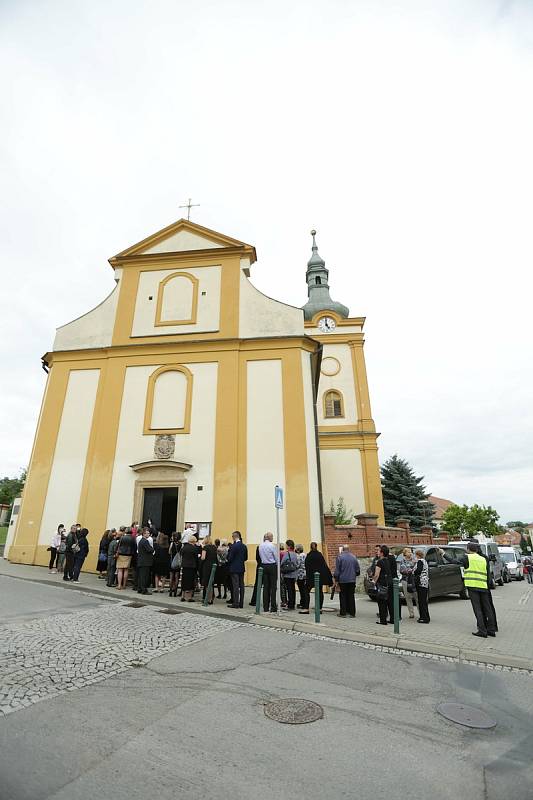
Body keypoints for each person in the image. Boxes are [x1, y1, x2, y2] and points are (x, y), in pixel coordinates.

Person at [299, 542, 333, 614]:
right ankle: (319, 608)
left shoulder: (309, 555)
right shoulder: (320, 555)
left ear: (310, 547)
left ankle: (306, 608)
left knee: (306, 591)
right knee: (320, 592)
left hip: (311, 577)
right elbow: (324, 566)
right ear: (316, 547)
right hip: (319, 577)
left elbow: (306, 566)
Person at [333, 545, 360, 618]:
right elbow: (357, 570)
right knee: (351, 596)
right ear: (348, 549)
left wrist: (336, 579)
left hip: (343, 580)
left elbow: (337, 571)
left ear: (343, 550)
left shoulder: (340, 557)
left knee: (343, 596)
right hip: (352, 580)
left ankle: (343, 612)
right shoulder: (354, 557)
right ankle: (352, 613)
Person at [227, 531, 248, 609]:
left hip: (234, 568)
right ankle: (241, 603)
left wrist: (228, 561)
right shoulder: (244, 546)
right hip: (241, 568)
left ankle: (236, 603)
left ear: (234, 537)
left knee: (235, 586)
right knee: (242, 585)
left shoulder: (234, 546)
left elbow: (230, 558)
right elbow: (246, 558)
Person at [372, 545, 391, 625]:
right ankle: (384, 619)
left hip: (381, 584)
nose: (377, 552)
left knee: (381, 602)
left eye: (379, 551)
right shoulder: (387, 560)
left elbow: (377, 574)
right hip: (387, 583)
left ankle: (382, 620)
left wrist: (373, 582)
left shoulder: (380, 561)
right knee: (385, 601)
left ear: (382, 553)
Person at [259, 532, 278, 612]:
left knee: (266, 587)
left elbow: (260, 556)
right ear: (269, 537)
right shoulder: (272, 545)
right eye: (272, 537)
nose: (272, 538)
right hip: (272, 565)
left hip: (264, 565)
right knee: (273, 587)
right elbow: (276, 557)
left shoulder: (260, 545)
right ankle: (273, 607)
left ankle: (265, 607)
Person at [398, 547, 416, 619]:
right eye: (408, 552)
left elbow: (416, 568)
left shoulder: (414, 560)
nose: (410, 553)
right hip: (405, 580)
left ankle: (421, 612)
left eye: (411, 552)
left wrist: (410, 569)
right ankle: (411, 613)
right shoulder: (402, 561)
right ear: (405, 553)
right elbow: (403, 570)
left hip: (414, 580)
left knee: (416, 596)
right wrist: (411, 570)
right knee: (408, 597)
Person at [280, 540, 299, 611]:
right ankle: (293, 603)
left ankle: (290, 605)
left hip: (287, 574)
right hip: (294, 574)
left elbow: (282, 563)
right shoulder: (295, 554)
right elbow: (297, 563)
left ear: (288, 546)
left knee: (289, 589)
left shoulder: (286, 554)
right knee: (293, 589)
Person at [413, 549, 430, 624]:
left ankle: (423, 618)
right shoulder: (424, 561)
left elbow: (418, 570)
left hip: (421, 583)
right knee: (424, 601)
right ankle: (427, 616)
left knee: (421, 601)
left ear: (417, 555)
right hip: (425, 583)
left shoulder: (420, 561)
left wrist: (413, 571)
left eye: (415, 555)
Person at [180, 535, 200, 602]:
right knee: (191, 582)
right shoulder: (194, 548)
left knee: (184, 580)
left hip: (185, 566)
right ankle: (189, 597)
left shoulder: (184, 547)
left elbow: (181, 554)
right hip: (192, 567)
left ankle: (183, 596)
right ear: (194, 541)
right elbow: (196, 558)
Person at [201, 536, 218, 603]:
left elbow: (203, 557)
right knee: (211, 583)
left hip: (207, 566)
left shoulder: (205, 547)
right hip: (213, 566)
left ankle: (208, 599)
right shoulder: (214, 547)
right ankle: (211, 598)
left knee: (207, 583)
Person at [137, 529, 154, 595]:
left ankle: (140, 588)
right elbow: (150, 549)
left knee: (141, 576)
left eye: (149, 533)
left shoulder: (141, 541)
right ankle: (144, 590)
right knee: (144, 576)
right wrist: (152, 549)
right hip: (145, 561)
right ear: (144, 534)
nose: (148, 534)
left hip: (142, 561)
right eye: (147, 533)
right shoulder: (145, 541)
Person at [295, 545, 308, 610]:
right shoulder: (305, 555)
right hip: (305, 573)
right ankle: (303, 602)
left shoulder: (299, 556)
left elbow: (297, 565)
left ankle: (302, 603)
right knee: (303, 589)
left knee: (301, 589)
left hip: (300, 574)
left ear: (298, 550)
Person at [168, 533, 182, 597]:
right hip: (178, 563)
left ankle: (170, 591)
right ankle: (175, 593)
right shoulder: (181, 544)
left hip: (172, 562)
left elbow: (169, 552)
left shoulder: (171, 544)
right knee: (176, 577)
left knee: (171, 578)